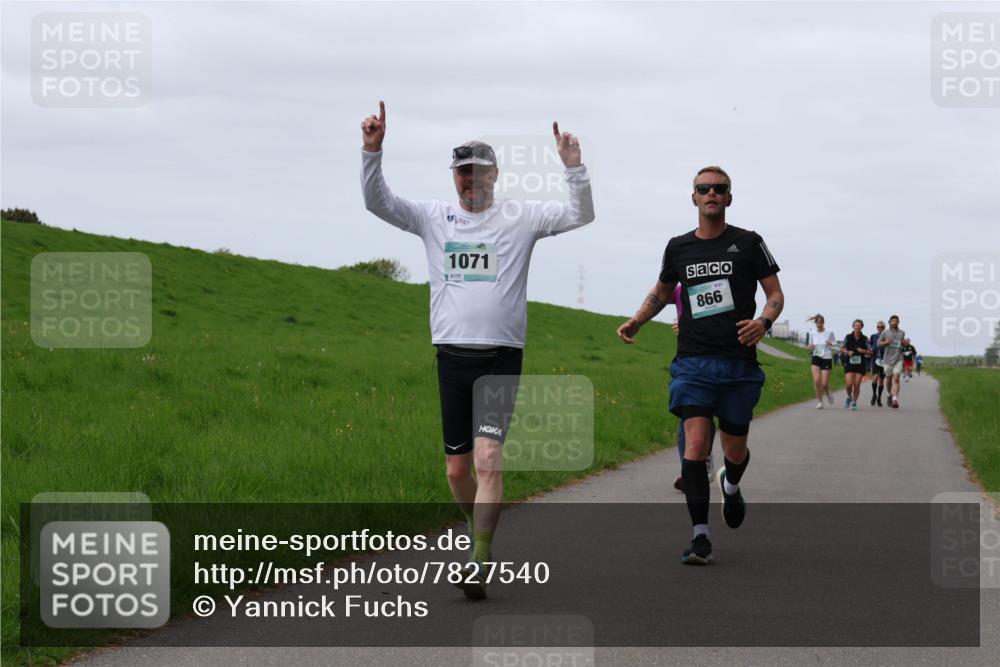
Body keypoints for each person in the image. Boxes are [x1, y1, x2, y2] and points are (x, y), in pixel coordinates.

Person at [360, 101, 595, 597]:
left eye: (479, 171)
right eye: (463, 172)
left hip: (500, 358)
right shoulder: (432, 217)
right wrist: (372, 152)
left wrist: (573, 167)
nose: (471, 179)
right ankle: (479, 531)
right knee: (457, 469)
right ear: (454, 177)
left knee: (489, 459)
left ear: (495, 174)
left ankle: (478, 560)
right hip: (451, 358)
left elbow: (580, 215)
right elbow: (379, 204)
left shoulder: (520, 217)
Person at [616, 165, 784, 565]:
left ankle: (731, 484)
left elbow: (775, 293)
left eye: (719, 189)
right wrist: (637, 321)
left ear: (729, 198)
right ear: (693, 197)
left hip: (738, 365)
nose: (711, 193)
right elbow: (660, 292)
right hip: (692, 363)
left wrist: (764, 322)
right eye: (703, 188)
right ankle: (700, 537)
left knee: (735, 450)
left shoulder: (749, 243)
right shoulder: (678, 248)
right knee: (694, 445)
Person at [671, 284, 715, 494]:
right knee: (686, 414)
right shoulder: (678, 288)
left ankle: (705, 458)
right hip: (688, 360)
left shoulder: (713, 284)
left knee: (709, 414)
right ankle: (688, 473)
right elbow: (658, 293)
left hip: (719, 359)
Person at [806, 314, 836, 409]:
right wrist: (810, 347)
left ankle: (827, 392)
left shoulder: (829, 332)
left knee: (824, 383)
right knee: (816, 381)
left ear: (823, 322)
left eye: (821, 322)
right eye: (817, 322)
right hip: (816, 357)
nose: (819, 324)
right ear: (815, 323)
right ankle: (820, 402)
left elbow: (835, 343)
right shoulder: (812, 332)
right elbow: (810, 345)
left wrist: (830, 343)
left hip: (826, 358)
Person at [840, 319, 871, 410]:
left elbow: (870, 351)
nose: (857, 327)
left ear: (862, 327)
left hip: (860, 363)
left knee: (857, 384)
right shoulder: (848, 337)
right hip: (849, 362)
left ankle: (854, 402)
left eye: (859, 325)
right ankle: (849, 396)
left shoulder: (865, 338)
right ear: (853, 326)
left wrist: (863, 351)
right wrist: (847, 351)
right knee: (849, 384)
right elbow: (841, 348)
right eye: (856, 325)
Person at [878, 315, 906, 409]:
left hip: (898, 358)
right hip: (887, 359)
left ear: (898, 322)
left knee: (897, 378)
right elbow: (878, 344)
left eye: (896, 321)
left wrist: (905, 343)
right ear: (889, 322)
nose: (894, 322)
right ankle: (889, 394)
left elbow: (902, 343)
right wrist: (885, 342)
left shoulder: (902, 332)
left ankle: (895, 399)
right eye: (893, 321)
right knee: (888, 379)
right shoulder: (885, 333)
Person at [869, 321, 886, 406]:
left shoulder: (887, 337)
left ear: (884, 328)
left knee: (881, 380)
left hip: (884, 360)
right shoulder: (873, 336)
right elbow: (870, 346)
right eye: (878, 327)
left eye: (882, 327)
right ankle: (874, 395)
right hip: (875, 359)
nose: (880, 328)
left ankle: (879, 397)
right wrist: (870, 350)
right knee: (875, 377)